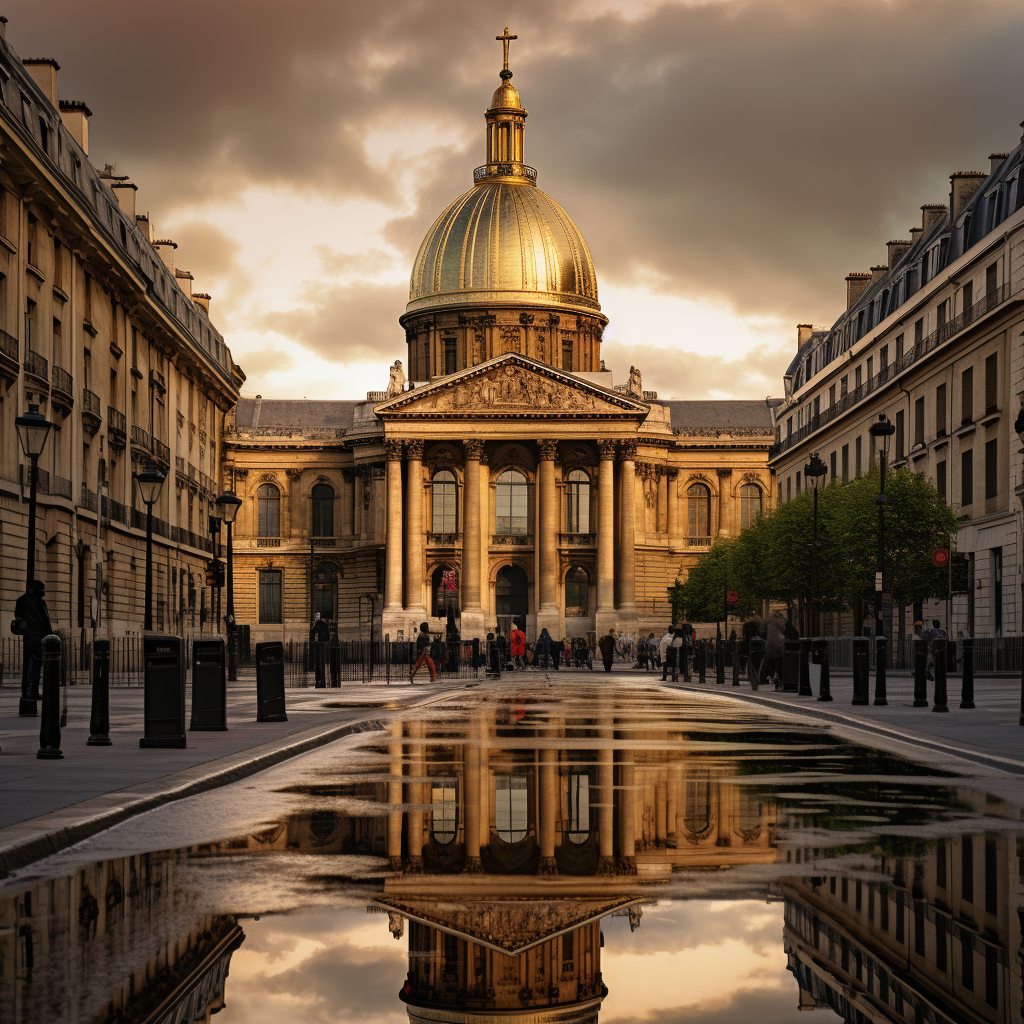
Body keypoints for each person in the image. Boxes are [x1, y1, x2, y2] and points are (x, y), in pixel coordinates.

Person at [13, 580, 52, 702]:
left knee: (30, 666)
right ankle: (31, 692)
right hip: (36, 637)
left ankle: (28, 691)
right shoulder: (40, 602)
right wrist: (50, 635)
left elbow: (18, 617)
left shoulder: (21, 600)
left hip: (29, 637)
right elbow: (46, 621)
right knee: (34, 666)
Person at [310, 611, 330, 687]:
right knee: (322, 663)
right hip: (323, 645)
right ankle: (322, 679)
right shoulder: (325, 625)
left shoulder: (317, 625)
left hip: (318, 645)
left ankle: (319, 679)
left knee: (318, 663)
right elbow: (327, 635)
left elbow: (313, 633)